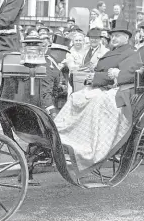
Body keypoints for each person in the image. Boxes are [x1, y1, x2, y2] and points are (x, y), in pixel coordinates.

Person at [54, 22, 135, 173]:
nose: (114, 38)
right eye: (113, 36)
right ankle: (62, 133)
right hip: (100, 85)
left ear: (126, 37)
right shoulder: (113, 51)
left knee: (95, 102)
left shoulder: (130, 53)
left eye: (117, 36)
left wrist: (98, 77)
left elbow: (124, 75)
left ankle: (87, 145)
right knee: (75, 97)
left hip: (116, 89)